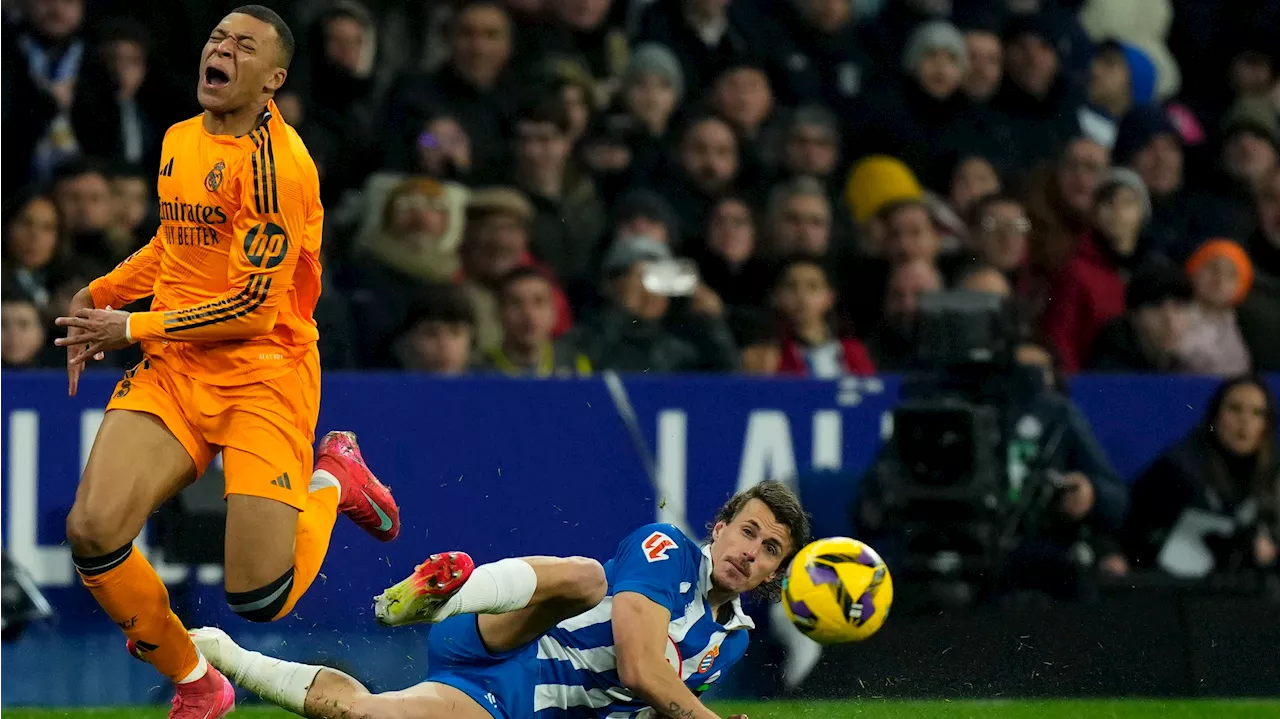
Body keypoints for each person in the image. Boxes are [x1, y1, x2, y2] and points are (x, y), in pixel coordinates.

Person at [51, 7, 401, 718]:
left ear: (273, 79)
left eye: (244, 47)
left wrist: (131, 322)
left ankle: (332, 477)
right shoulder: (182, 137)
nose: (222, 50)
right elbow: (175, 242)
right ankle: (199, 683)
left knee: (261, 596)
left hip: (264, 372)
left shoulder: (280, 168)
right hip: (177, 365)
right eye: (216, 38)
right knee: (92, 530)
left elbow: (252, 307)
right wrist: (104, 292)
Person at [193, 481, 812, 719]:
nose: (750, 551)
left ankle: (223, 654)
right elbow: (642, 670)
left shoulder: (728, 643)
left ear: (773, 575)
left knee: (362, 715)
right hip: (507, 635)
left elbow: (651, 709)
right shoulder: (668, 548)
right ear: (721, 527)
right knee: (590, 580)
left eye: (769, 550)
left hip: (507, 703)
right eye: (748, 531)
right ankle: (448, 595)